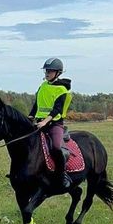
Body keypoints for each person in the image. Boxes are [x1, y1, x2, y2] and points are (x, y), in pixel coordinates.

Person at [29, 57, 72, 189]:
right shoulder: (43, 86)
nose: (47, 73)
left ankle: (62, 174)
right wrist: (30, 116)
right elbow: (37, 104)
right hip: (39, 122)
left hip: (54, 124)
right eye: (46, 70)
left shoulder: (62, 90)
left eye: (51, 71)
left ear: (58, 73)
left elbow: (57, 110)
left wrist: (45, 122)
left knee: (56, 148)